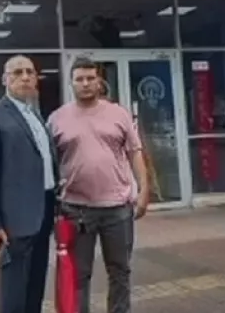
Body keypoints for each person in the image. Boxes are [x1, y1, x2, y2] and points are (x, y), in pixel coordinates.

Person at [48, 56, 149, 313]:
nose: (85, 83)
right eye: (79, 79)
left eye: (90, 78)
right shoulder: (57, 119)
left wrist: (144, 189)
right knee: (79, 275)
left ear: (99, 81)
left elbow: (135, 152)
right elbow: (48, 164)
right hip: (76, 210)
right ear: (71, 83)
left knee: (120, 270)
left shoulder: (118, 114)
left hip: (117, 208)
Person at [0, 55, 58, 313]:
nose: (25, 77)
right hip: (13, 221)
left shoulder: (36, 115)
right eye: (17, 72)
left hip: (43, 213)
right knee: (11, 296)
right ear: (4, 79)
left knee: (35, 288)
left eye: (30, 72)